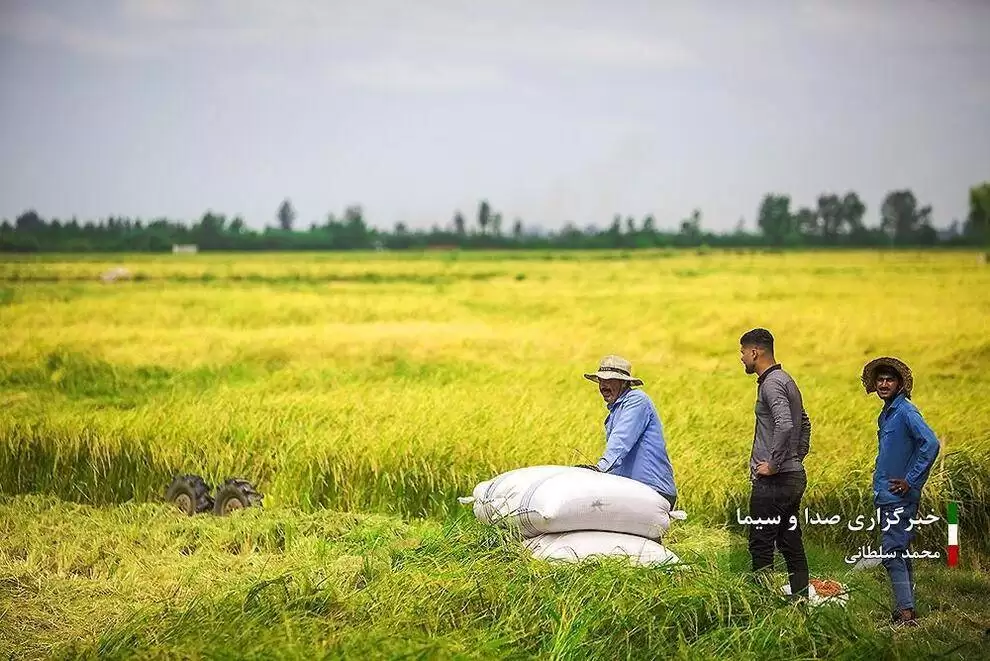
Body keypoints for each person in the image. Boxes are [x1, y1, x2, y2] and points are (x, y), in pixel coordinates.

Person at [861, 356, 941, 627]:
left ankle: (905, 614)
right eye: (880, 379)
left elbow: (930, 443)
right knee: (900, 550)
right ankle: (906, 609)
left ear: (900, 384)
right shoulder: (887, 413)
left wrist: (911, 479)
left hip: (899, 495)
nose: (884, 384)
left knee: (892, 551)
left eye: (889, 379)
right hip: (886, 494)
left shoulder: (906, 411)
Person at [739, 328, 812, 600]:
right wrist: (797, 457)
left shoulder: (771, 383)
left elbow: (785, 423)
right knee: (790, 541)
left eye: (743, 352)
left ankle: (761, 607)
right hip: (792, 476)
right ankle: (800, 603)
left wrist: (775, 464)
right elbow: (804, 422)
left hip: (775, 481)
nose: (742, 358)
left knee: (760, 543)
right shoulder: (786, 380)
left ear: (755, 352)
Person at [576, 355, 678, 511]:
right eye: (601, 380)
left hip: (653, 489)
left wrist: (600, 469)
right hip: (629, 490)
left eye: (610, 380)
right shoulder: (613, 413)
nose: (603, 385)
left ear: (624, 383)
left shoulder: (637, 400)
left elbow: (621, 440)